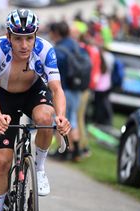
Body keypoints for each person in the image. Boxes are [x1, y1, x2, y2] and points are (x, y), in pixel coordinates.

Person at [0, 9, 71, 211]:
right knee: (2, 162)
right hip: (3, 97)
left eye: (29, 38)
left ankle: (39, 168)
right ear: (9, 37)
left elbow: (56, 88)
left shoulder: (45, 49)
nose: (24, 45)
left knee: (45, 118)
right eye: (18, 39)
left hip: (32, 91)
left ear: (35, 36)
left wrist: (62, 117)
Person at [48, 21, 84, 162]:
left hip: (64, 90)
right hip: (77, 88)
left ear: (55, 33)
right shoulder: (75, 44)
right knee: (72, 119)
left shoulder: (58, 50)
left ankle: (64, 151)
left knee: (61, 120)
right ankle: (76, 151)